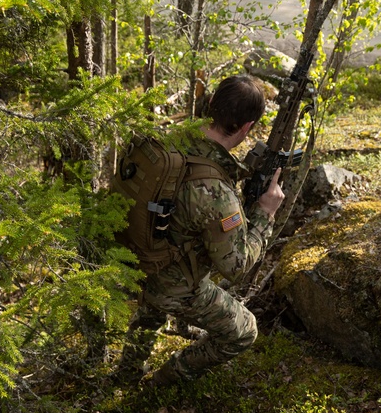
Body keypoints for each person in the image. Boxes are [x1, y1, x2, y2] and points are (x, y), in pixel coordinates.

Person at [117, 74, 285, 386]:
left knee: (153, 306)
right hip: (168, 283)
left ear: (210, 104)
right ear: (248, 127)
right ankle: (164, 380)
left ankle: (125, 372)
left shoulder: (170, 141)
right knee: (244, 330)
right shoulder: (216, 193)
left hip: (135, 260)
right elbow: (237, 267)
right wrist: (264, 214)